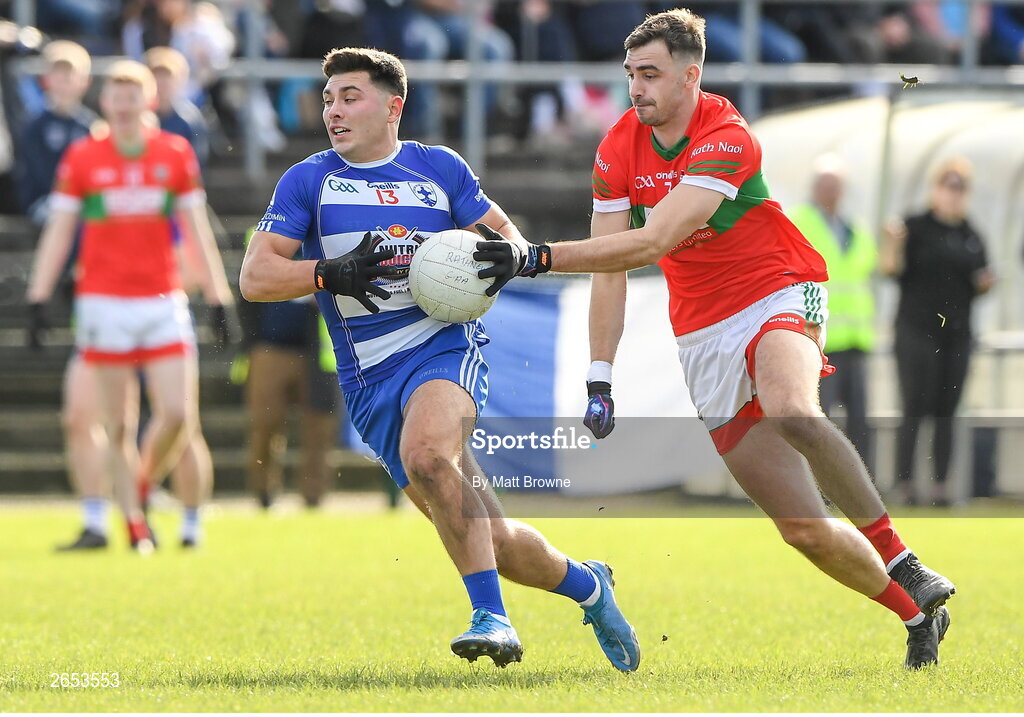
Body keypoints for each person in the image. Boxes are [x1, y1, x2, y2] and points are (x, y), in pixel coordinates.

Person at [474, 8, 954, 670]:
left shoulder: (725, 133)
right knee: (804, 530)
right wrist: (599, 376)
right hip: (701, 332)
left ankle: (904, 557)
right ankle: (916, 612)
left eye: (650, 74)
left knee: (792, 408)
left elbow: (655, 240)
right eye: (630, 75)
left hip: (777, 288)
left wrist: (534, 257)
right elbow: (614, 261)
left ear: (689, 76)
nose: (635, 88)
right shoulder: (617, 147)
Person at [239, 47, 640, 671]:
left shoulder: (438, 169)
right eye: (328, 100)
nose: (334, 111)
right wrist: (328, 271)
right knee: (497, 541)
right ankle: (590, 585)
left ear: (393, 107)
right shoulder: (307, 180)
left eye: (350, 97)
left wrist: (506, 258)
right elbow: (256, 276)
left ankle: (493, 619)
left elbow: (505, 238)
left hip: (444, 348)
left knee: (428, 455)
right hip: (370, 379)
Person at [26, 60, 234, 551]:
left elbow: (197, 230)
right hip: (103, 303)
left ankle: (138, 490)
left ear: (149, 102)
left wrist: (218, 294)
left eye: (131, 96)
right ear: (104, 103)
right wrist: (39, 294)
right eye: (115, 97)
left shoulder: (175, 153)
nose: (122, 106)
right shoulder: (83, 157)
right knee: (116, 421)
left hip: (163, 299)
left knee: (179, 416)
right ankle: (133, 523)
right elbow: (59, 230)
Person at [880, 157, 993, 508]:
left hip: (956, 335)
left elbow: (980, 280)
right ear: (935, 188)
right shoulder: (915, 227)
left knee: (947, 409)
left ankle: (941, 486)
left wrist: (986, 284)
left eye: (960, 187)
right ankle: (906, 484)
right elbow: (890, 270)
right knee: (915, 405)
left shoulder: (970, 235)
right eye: (948, 185)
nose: (953, 194)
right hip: (916, 330)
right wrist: (892, 245)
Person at [236, 228, 342, 510]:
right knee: (265, 424)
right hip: (272, 346)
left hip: (318, 351)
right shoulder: (262, 236)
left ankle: (313, 497)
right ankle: (264, 493)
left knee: (318, 429)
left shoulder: (330, 237)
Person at [788, 154, 877, 473]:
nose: (832, 192)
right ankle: (819, 485)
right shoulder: (798, 221)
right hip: (816, 338)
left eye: (836, 186)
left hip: (855, 339)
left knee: (859, 421)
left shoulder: (856, 229)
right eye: (826, 185)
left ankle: (864, 482)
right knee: (817, 417)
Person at [14, 40, 97, 227]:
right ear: (45, 80)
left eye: (70, 75)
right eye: (58, 75)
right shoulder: (34, 125)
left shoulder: (91, 126)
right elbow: (39, 174)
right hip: (45, 200)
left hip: (81, 199)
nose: (64, 81)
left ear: (85, 82)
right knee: (65, 219)